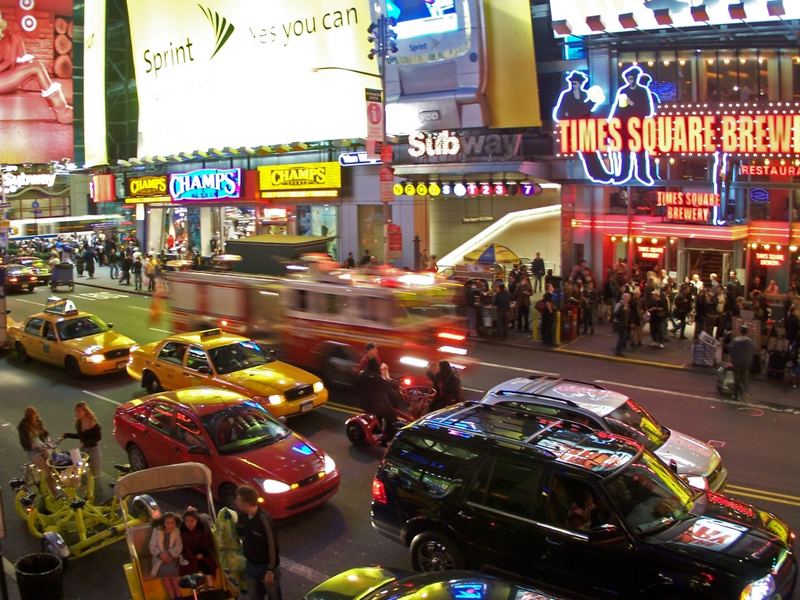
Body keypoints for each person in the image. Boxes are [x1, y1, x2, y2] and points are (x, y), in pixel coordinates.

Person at [0, 11, 73, 123]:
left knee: (18, 39)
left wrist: (13, 50)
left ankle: (60, 107)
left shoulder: (4, 36)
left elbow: (10, 63)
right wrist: (8, 63)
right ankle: (61, 109)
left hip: (4, 77)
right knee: (36, 67)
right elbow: (8, 62)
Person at [236, 485, 282, 600]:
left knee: (274, 595)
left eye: (238, 499)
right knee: (253, 596)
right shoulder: (243, 516)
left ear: (246, 503)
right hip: (251, 565)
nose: (236, 501)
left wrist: (270, 570)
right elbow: (241, 532)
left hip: (265, 567)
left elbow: (272, 546)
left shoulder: (264, 520)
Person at [357, 357, 404, 443]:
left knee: (382, 411)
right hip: (372, 403)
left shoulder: (365, 373)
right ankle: (388, 436)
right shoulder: (374, 377)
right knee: (391, 415)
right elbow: (385, 385)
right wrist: (396, 385)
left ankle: (377, 430)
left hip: (367, 401)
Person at [149, 512, 187, 600]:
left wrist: (171, 553)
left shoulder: (176, 531)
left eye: (173, 523)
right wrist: (160, 554)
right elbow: (152, 546)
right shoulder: (157, 531)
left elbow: (179, 546)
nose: (170, 525)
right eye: (168, 523)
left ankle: (178, 595)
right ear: (163, 523)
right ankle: (172, 596)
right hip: (160, 558)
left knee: (174, 577)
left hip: (172, 557)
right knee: (165, 577)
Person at [180, 509, 218, 590]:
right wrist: (192, 555)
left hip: (203, 554)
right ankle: (200, 588)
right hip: (190, 556)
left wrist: (202, 553)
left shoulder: (201, 531)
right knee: (193, 568)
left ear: (196, 521)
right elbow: (185, 546)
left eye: (192, 521)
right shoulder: (183, 533)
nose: (189, 524)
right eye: (187, 522)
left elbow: (206, 543)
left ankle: (211, 587)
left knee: (206, 567)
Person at [63, 401, 102, 478]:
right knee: (78, 465)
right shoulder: (79, 422)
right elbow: (80, 436)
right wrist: (67, 435)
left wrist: (88, 442)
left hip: (93, 449)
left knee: (95, 472)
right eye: (76, 411)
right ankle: (83, 482)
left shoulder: (92, 422)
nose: (77, 413)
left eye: (79, 411)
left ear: (85, 411)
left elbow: (98, 437)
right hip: (83, 448)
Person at [728, 325, 755, 402]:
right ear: (747, 332)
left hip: (737, 362)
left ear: (740, 331)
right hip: (746, 363)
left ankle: (736, 395)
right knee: (743, 379)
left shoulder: (735, 341)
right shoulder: (750, 342)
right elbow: (752, 352)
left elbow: (731, 351)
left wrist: (731, 361)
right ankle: (744, 392)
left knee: (736, 379)